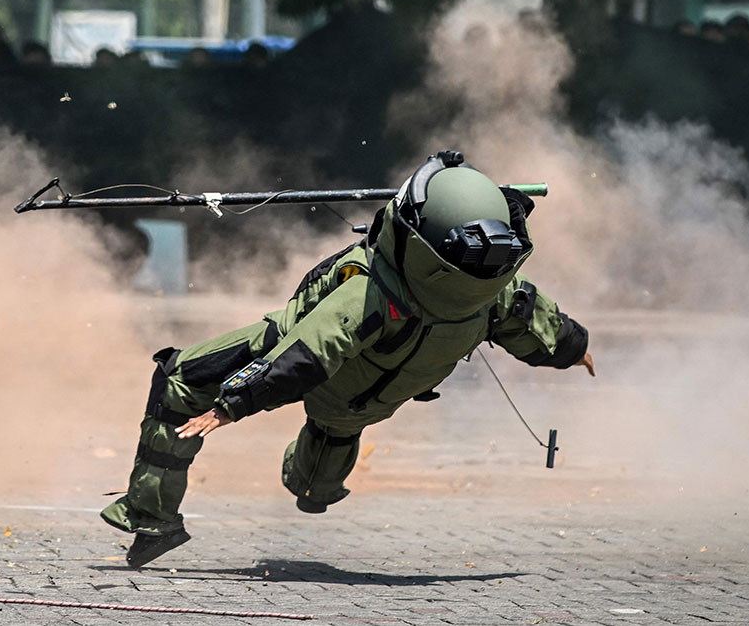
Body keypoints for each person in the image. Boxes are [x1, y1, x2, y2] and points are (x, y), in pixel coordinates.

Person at [101, 150, 595, 568]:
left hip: (308, 361)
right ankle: (315, 489)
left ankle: (152, 519)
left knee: (179, 378)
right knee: (321, 462)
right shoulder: (497, 292)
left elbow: (307, 353)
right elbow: (544, 329)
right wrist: (577, 350)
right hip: (360, 406)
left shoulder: (371, 294)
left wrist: (232, 404)